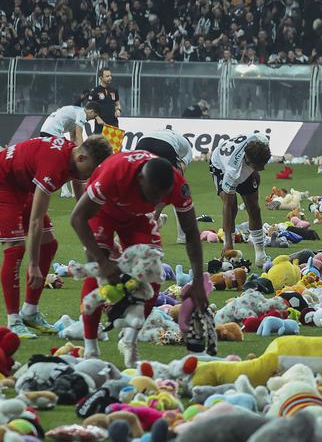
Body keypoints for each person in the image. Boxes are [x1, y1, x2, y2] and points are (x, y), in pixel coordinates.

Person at [70, 151, 208, 364]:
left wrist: (198, 281)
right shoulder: (114, 174)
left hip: (137, 218)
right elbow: (77, 217)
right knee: (97, 270)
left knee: (153, 271)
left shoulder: (177, 185)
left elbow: (191, 232)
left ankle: (129, 340)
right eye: (152, 195)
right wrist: (103, 262)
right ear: (140, 179)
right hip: (103, 213)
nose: (156, 201)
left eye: (161, 197)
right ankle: (90, 349)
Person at [0, 136, 112, 337]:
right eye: (92, 169)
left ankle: (29, 312)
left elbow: (83, 205)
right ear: (81, 158)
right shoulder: (53, 166)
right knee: (16, 246)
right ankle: (13, 321)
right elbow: (35, 221)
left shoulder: (76, 159)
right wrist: (33, 264)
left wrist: (102, 239)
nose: (92, 175)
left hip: (21, 186)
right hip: (3, 184)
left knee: (49, 243)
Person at [210, 133, 272, 264]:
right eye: (259, 166)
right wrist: (227, 242)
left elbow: (257, 163)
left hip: (240, 160)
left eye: (264, 163)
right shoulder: (233, 172)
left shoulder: (262, 141)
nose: (264, 168)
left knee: (254, 207)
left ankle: (261, 255)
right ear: (248, 161)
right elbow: (227, 207)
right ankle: (228, 248)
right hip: (220, 167)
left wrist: (255, 173)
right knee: (232, 207)